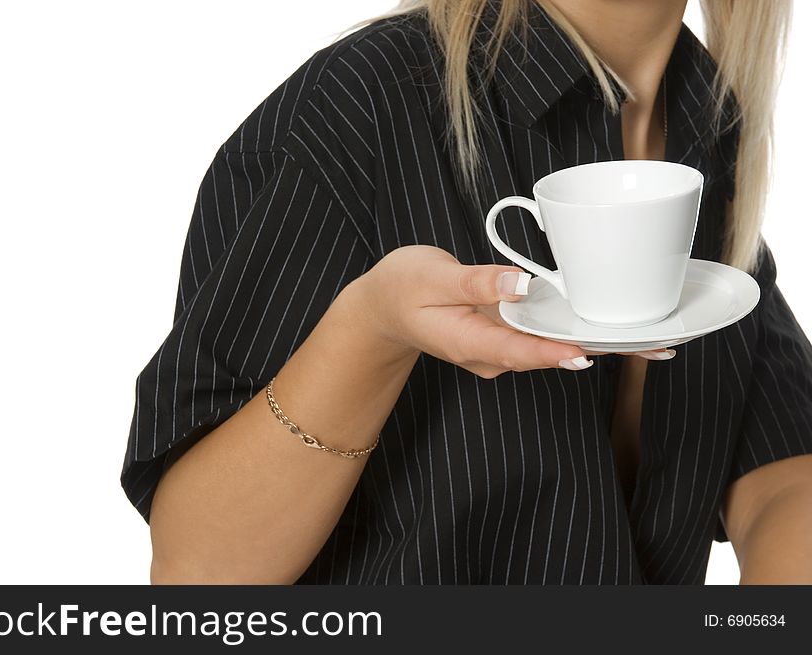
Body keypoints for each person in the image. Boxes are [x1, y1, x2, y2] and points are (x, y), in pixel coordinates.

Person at [121, 0, 812, 584]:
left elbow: (781, 477)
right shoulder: (364, 106)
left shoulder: (711, 129)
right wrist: (373, 333)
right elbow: (196, 571)